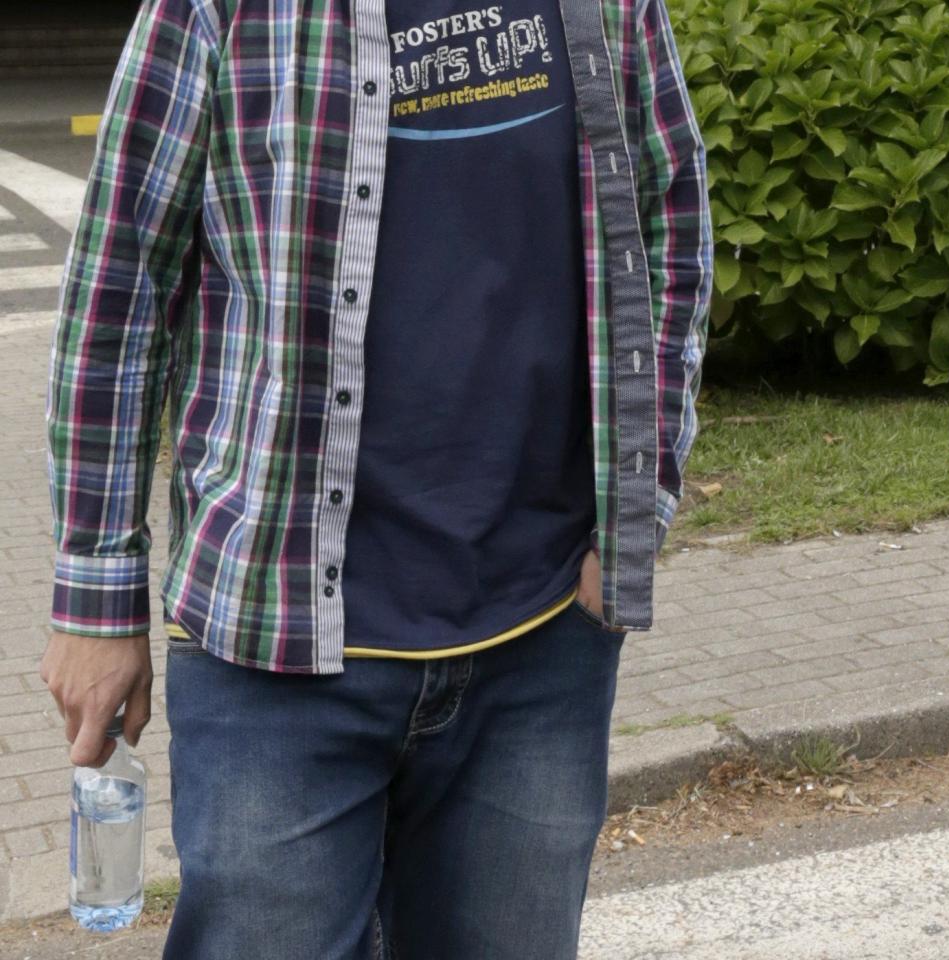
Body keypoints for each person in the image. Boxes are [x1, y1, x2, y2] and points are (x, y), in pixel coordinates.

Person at [39, 0, 709, 954]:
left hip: (539, 642)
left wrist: (638, 509)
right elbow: (120, 279)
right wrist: (96, 600)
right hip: (274, 657)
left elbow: (667, 221)